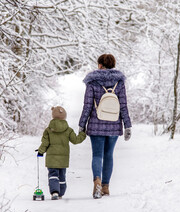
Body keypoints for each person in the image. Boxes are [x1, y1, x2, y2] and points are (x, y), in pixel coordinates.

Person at [78, 54, 132, 199]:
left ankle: (97, 180)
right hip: (114, 124)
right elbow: (123, 106)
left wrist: (82, 125)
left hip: (96, 124)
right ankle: (106, 187)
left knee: (97, 155)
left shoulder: (92, 81)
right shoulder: (119, 82)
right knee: (108, 155)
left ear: (100, 65)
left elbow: (87, 106)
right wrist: (127, 125)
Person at [37, 106, 86, 200]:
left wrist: (40, 152)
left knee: (53, 175)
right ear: (64, 116)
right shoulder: (68, 130)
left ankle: (54, 192)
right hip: (63, 159)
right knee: (62, 176)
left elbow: (45, 143)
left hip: (51, 159)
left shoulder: (48, 130)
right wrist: (83, 134)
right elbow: (75, 140)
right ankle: (61, 193)